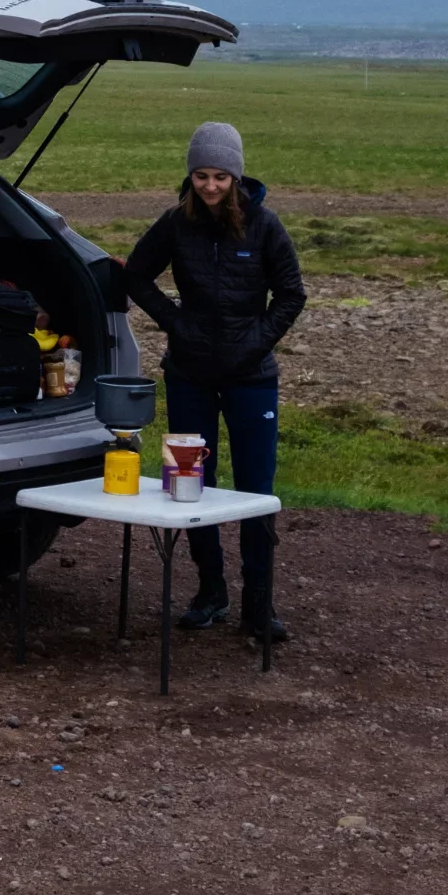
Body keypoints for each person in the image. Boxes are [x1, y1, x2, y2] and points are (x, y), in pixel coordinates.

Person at [116, 122, 306, 641]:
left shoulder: (265, 225)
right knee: (190, 483)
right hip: (189, 374)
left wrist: (253, 344)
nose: (210, 186)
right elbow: (135, 275)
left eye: (220, 176)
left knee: (255, 490)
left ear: (236, 176)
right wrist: (177, 324)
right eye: (201, 175)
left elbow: (292, 294)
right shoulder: (176, 223)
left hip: (252, 379)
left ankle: (258, 605)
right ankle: (210, 593)